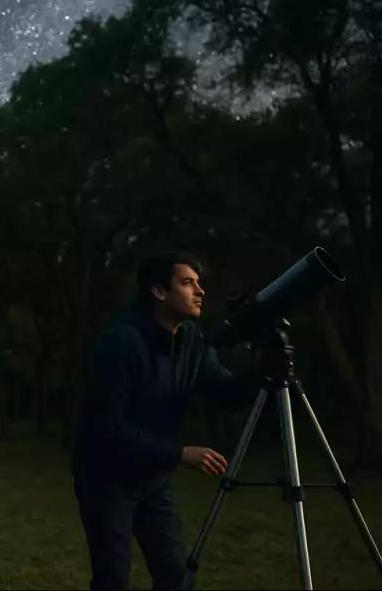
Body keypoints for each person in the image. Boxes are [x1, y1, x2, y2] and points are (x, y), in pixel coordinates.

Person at [71, 252, 292, 590]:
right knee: (112, 578)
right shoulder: (122, 343)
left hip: (153, 479)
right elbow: (106, 427)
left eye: (199, 283)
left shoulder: (191, 340)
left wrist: (264, 371)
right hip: (106, 478)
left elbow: (224, 394)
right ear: (159, 292)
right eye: (188, 283)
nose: (200, 291)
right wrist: (179, 453)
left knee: (176, 577)